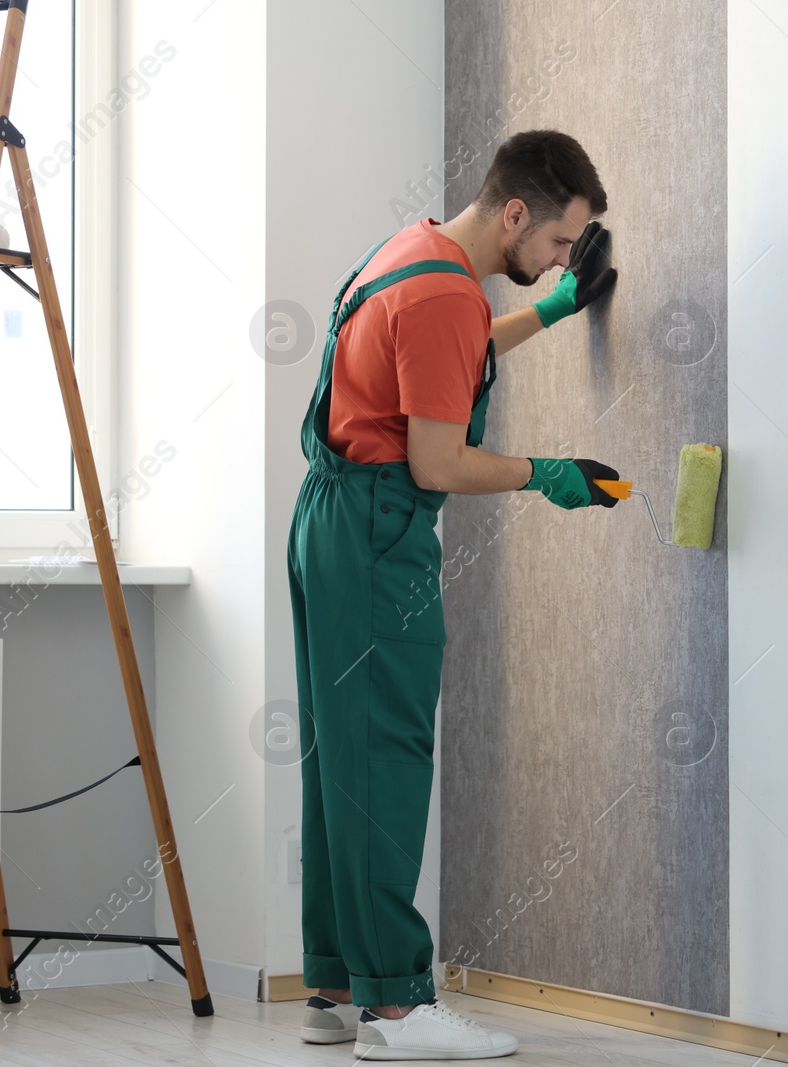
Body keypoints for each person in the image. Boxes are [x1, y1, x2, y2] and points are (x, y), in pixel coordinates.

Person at [288, 129, 620, 1060]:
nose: (562, 258)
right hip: (377, 532)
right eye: (559, 243)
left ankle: (336, 984)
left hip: (332, 518)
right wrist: (545, 471)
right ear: (516, 213)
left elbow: (446, 351)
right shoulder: (442, 293)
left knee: (339, 762)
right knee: (385, 758)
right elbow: (439, 456)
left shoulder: (414, 251)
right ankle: (395, 1010)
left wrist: (550, 310)